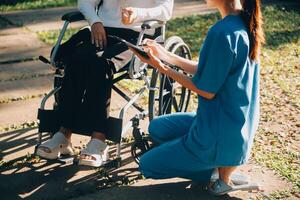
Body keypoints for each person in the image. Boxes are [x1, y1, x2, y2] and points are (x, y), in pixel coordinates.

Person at [129, 0, 265, 196]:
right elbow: (209, 68)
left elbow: (206, 90)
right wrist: (165, 55)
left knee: (147, 164)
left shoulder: (221, 32)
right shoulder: (244, 22)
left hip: (215, 136)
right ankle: (217, 166)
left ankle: (217, 174)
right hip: (234, 129)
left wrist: (162, 67)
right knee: (157, 127)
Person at [37, 0, 174, 167]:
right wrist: (95, 21)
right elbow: (85, 2)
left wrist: (138, 14)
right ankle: (63, 134)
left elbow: (166, 10)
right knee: (75, 60)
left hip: (138, 36)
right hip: (101, 31)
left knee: (101, 65)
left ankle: (99, 139)